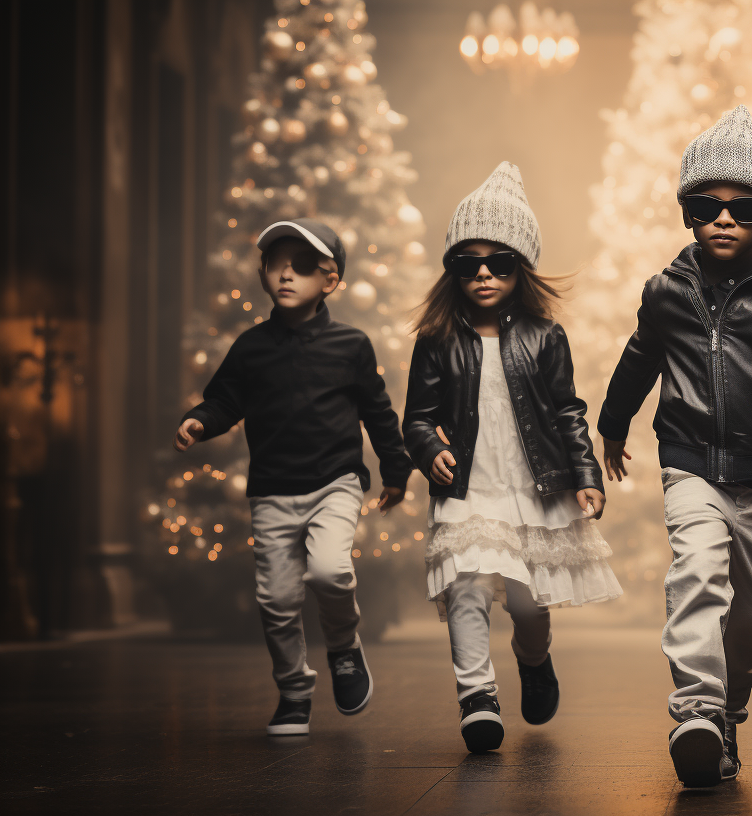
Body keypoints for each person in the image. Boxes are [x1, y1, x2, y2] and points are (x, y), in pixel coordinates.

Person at [598, 106, 752, 787]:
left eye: (744, 207)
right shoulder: (666, 291)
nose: (725, 218)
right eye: (707, 205)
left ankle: (729, 706)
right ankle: (696, 711)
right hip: (689, 465)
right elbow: (639, 359)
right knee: (697, 575)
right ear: (688, 213)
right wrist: (613, 424)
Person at [403, 162, 621, 753]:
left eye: (498, 262)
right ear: (451, 270)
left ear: (520, 268)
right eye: (466, 262)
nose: (482, 274)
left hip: (533, 487)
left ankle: (534, 657)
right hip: (469, 487)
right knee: (467, 588)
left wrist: (585, 475)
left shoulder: (544, 336)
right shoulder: (437, 339)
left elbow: (568, 411)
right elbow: (416, 417)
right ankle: (477, 698)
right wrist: (430, 449)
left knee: (527, 602)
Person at [174, 217, 412, 737]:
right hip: (272, 492)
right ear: (262, 274)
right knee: (277, 601)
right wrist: (200, 420)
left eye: (301, 266)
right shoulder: (251, 348)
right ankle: (293, 692)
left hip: (335, 483)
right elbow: (225, 400)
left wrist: (395, 470)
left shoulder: (352, 345)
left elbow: (379, 413)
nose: (286, 275)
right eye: (274, 265)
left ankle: (345, 650)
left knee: (329, 572)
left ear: (330, 279)